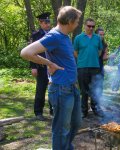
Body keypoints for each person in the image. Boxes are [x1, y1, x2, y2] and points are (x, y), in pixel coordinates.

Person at [21, 6, 82, 149]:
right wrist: (49, 63)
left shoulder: (64, 36)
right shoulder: (54, 36)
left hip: (71, 87)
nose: (78, 24)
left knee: (76, 123)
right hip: (61, 89)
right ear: (70, 21)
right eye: (77, 21)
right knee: (61, 129)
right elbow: (26, 52)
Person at [74, 18, 104, 118]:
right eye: (89, 26)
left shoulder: (97, 38)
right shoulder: (78, 38)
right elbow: (75, 52)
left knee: (95, 89)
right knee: (84, 90)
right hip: (82, 67)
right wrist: (83, 59)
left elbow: (100, 52)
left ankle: (95, 109)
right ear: (84, 26)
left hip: (95, 67)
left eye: (93, 26)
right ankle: (84, 111)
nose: (91, 28)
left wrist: (92, 59)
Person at [29, 12, 53, 120]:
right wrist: (33, 67)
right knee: (41, 90)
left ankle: (53, 110)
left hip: (52, 66)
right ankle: (38, 112)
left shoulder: (53, 34)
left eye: (49, 22)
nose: (48, 24)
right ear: (40, 23)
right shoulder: (36, 35)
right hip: (41, 67)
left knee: (53, 89)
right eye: (45, 22)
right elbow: (30, 52)